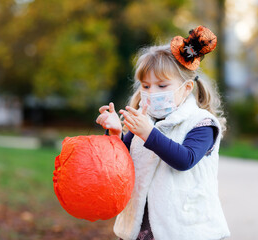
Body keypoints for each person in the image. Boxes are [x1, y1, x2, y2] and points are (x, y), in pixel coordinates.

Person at [96, 26, 230, 240]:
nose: (151, 93)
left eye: (162, 85)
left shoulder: (202, 124)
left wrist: (148, 133)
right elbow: (120, 164)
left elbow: (185, 159)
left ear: (186, 88)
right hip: (141, 227)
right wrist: (115, 133)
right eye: (146, 86)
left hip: (185, 229)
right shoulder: (144, 121)